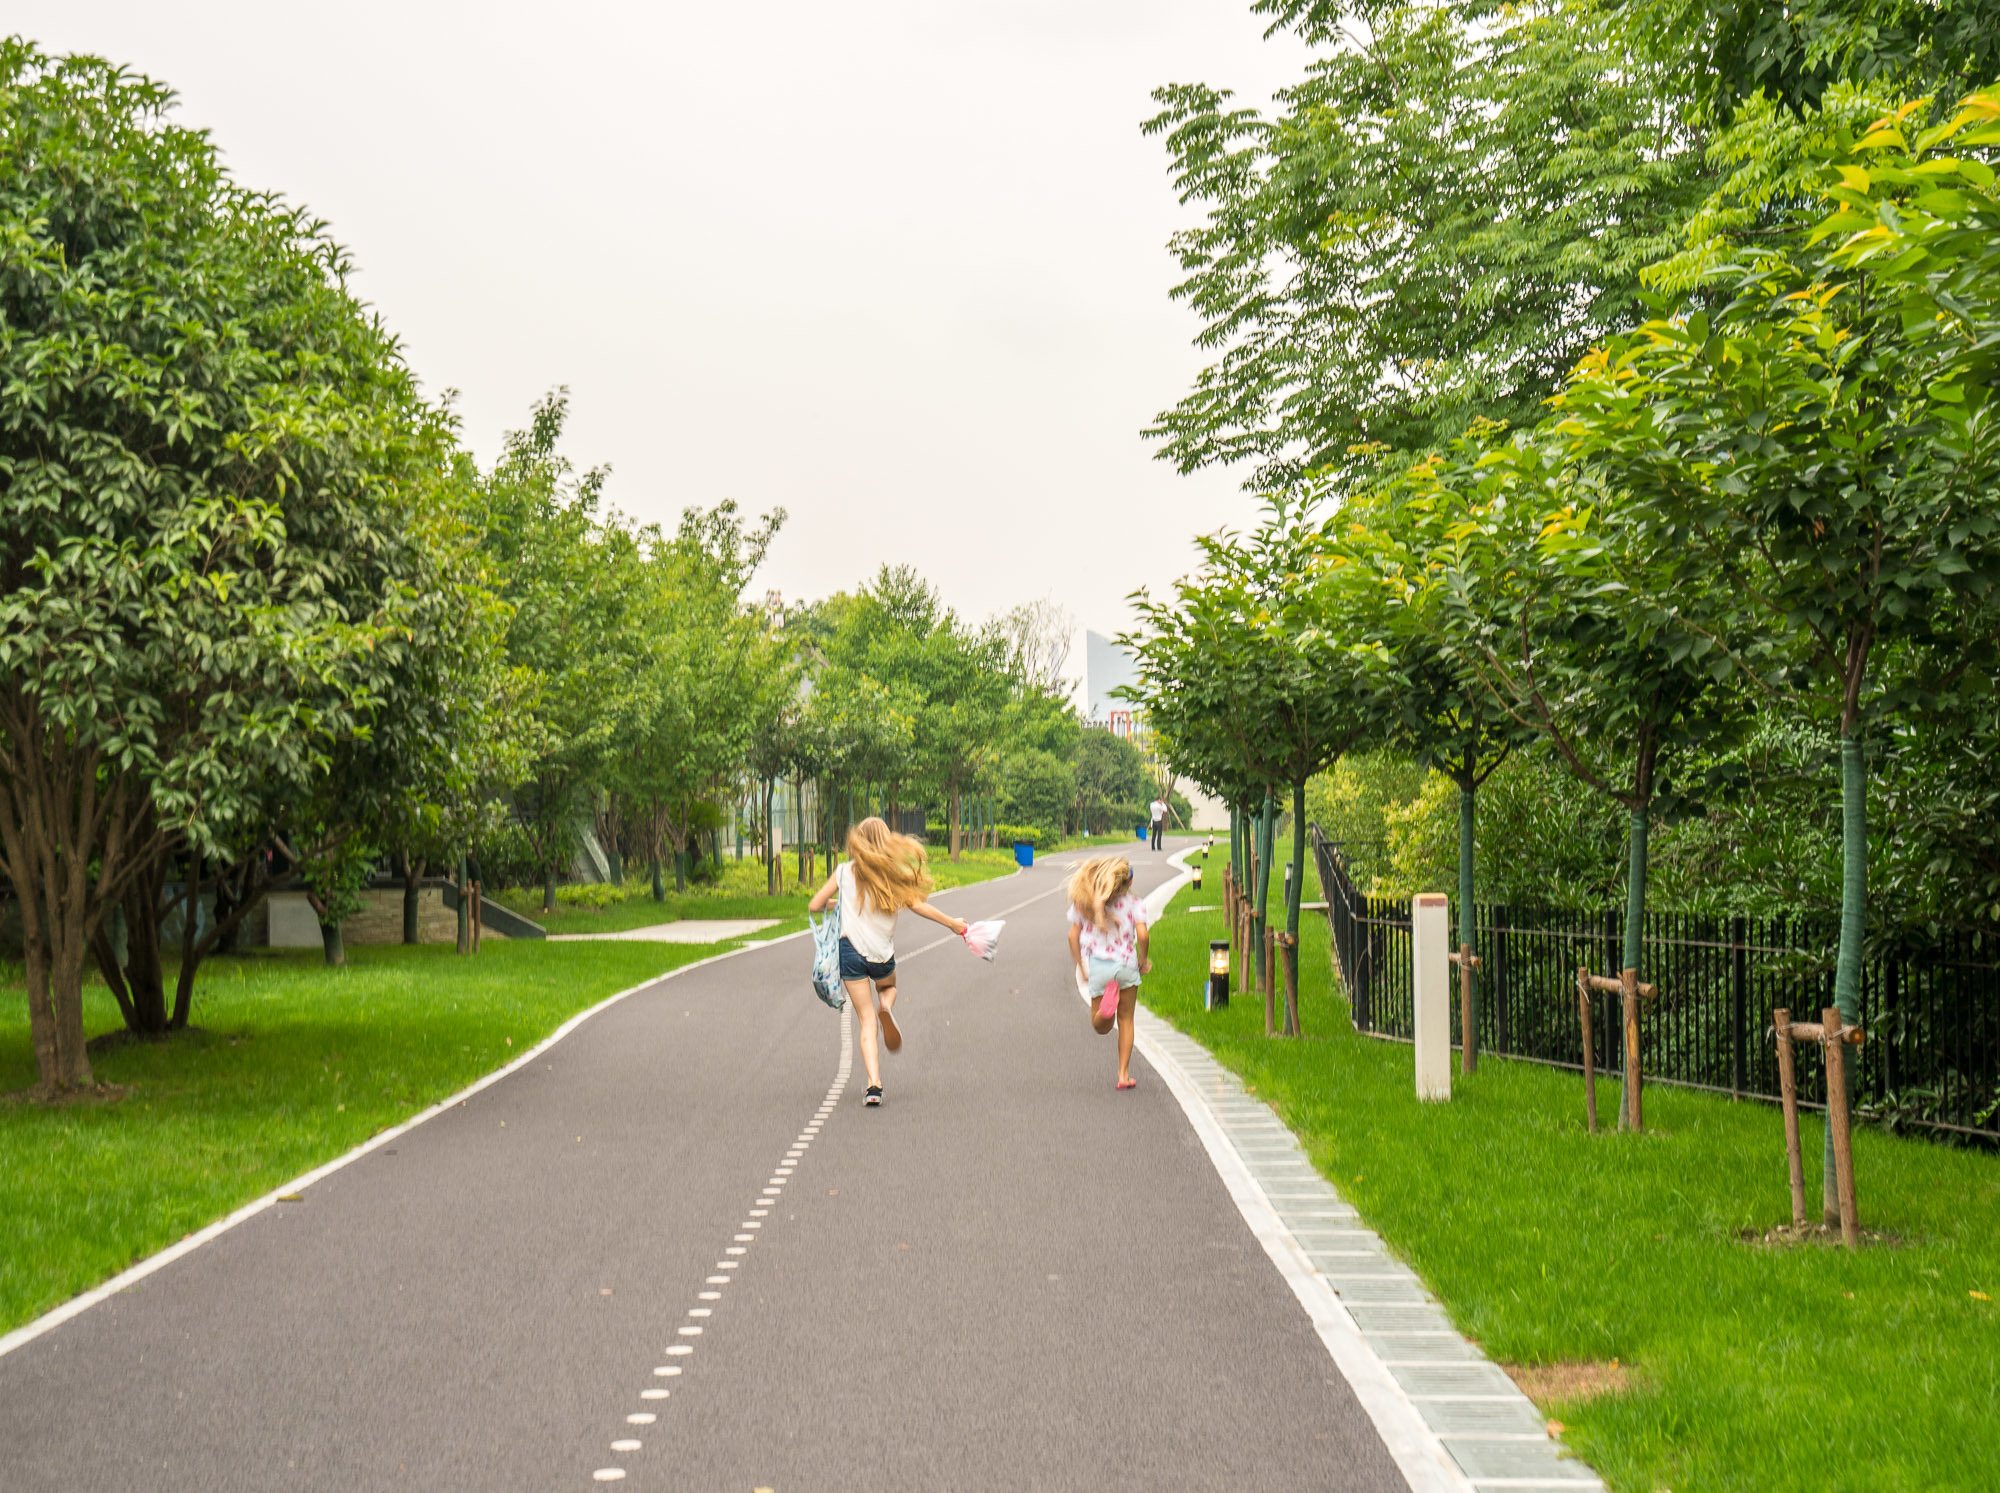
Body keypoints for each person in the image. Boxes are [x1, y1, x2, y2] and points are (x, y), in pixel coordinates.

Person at [808, 816, 968, 1107]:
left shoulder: (844, 872)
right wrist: (952, 924)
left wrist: (840, 903)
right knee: (888, 987)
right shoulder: (892, 873)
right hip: (881, 955)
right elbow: (918, 905)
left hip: (850, 953)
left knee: (866, 1021)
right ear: (886, 840)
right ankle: (888, 1006)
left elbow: (815, 904)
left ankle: (873, 1085)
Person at [1066, 855, 1151, 1090]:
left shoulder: (1084, 903)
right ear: (1128, 883)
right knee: (1126, 1020)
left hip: (1100, 968)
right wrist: (1143, 960)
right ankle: (1123, 1074)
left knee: (1101, 1026)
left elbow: (1072, 936)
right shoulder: (1135, 904)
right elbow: (1142, 935)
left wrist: (1081, 966)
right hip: (1126, 967)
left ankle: (1105, 1011)